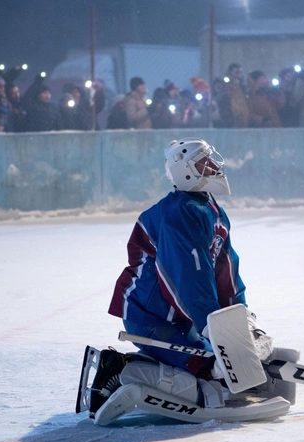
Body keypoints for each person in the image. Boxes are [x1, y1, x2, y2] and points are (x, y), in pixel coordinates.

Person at [95, 138, 245, 414]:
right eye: (203, 163)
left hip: (178, 319)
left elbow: (226, 271)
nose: (213, 166)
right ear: (184, 171)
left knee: (225, 367)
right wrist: (214, 328)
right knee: (210, 376)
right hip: (153, 318)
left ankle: (174, 363)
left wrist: (239, 318)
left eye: (211, 160)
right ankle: (121, 371)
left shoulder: (211, 209)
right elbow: (186, 280)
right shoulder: (179, 214)